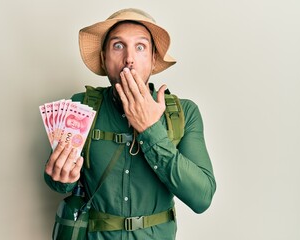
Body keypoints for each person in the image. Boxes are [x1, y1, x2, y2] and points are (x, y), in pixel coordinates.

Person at [44, 8, 216, 239]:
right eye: (118, 45)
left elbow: (202, 198)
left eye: (140, 47)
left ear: (153, 59)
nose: (129, 58)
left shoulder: (185, 112)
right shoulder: (80, 106)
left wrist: (150, 130)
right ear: (104, 59)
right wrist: (60, 178)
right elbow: (56, 181)